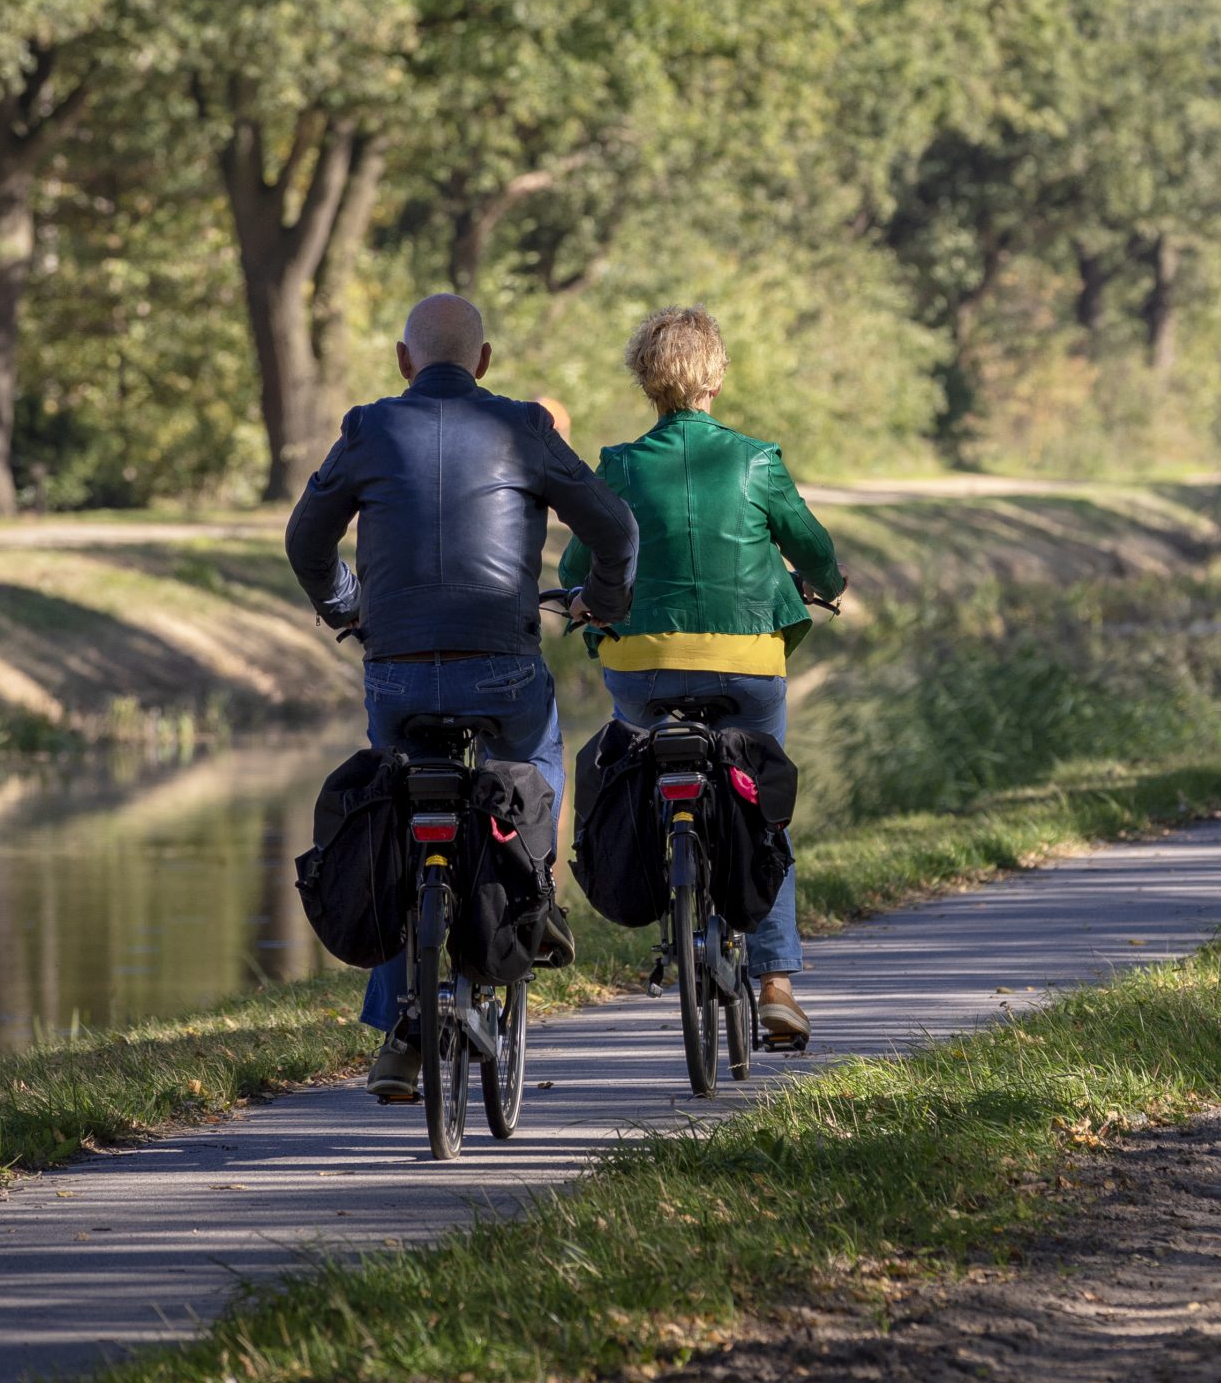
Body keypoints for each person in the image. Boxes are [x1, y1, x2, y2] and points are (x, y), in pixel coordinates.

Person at [288, 292, 638, 1103]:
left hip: (398, 671)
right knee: (534, 763)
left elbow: (305, 539)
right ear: (482, 362)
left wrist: (348, 606)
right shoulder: (525, 427)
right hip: (500, 665)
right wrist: (602, 602)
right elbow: (617, 530)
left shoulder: (368, 428)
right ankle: (539, 896)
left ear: (404, 360)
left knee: (394, 820)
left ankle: (400, 1033)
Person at [558, 304, 843, 1053]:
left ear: (645, 379)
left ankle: (669, 872)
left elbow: (573, 570)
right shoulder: (755, 460)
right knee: (761, 811)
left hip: (642, 666)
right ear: (716, 375)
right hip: (747, 665)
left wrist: (586, 601)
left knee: (650, 766)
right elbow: (810, 547)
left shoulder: (616, 465)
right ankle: (777, 984)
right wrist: (827, 582)